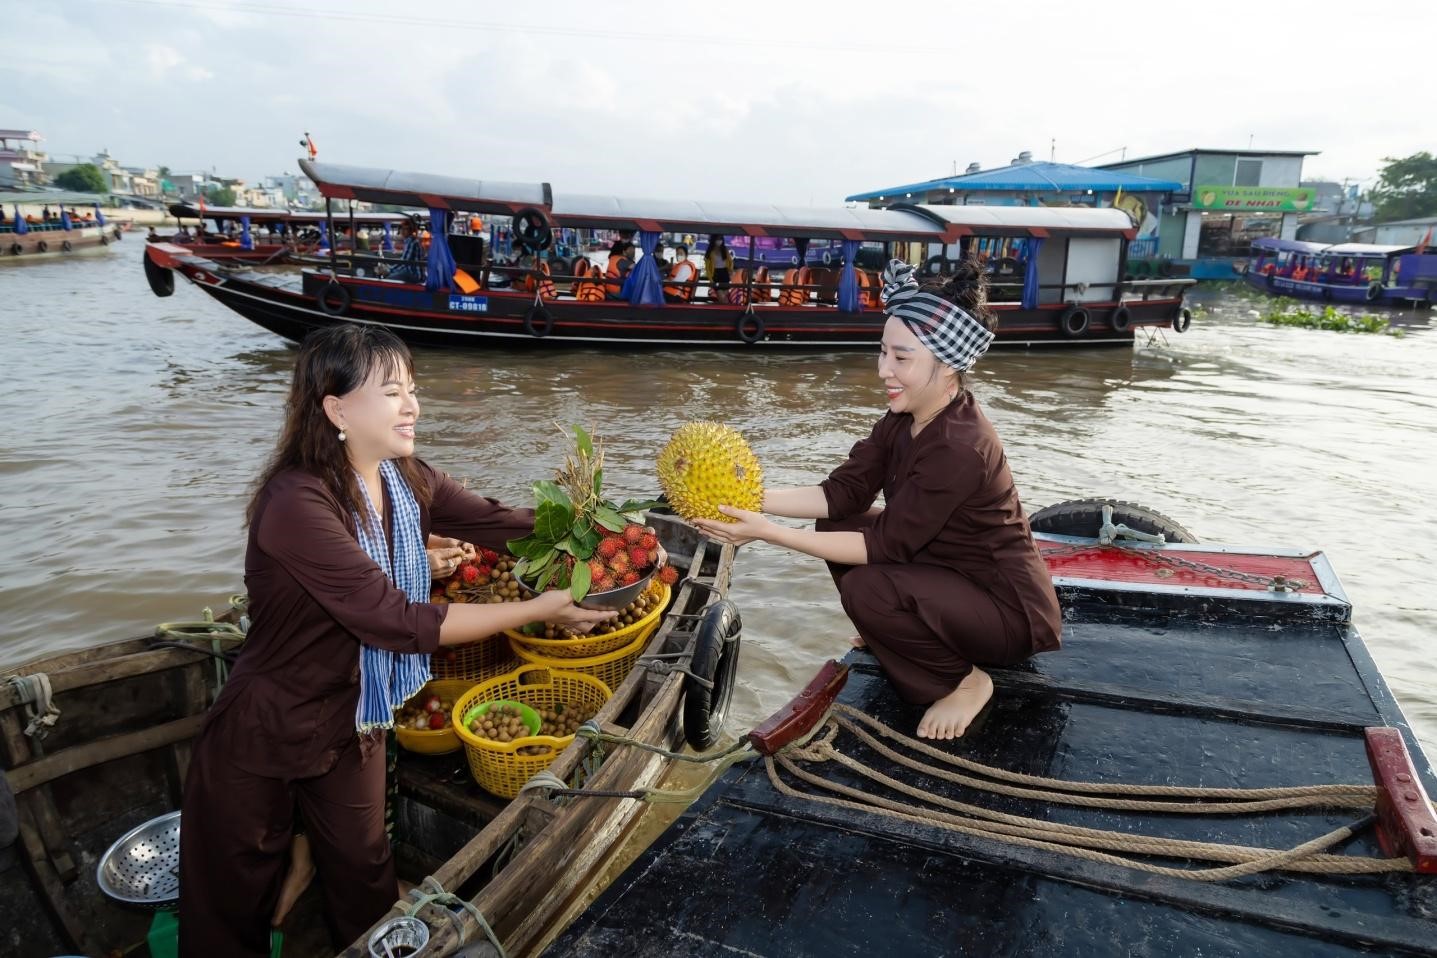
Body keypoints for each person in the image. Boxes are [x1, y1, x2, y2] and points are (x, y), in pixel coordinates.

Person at [178, 325, 618, 956]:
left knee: (365, 881)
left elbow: (503, 523)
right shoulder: (296, 502)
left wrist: (600, 532)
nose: (413, 406)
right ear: (336, 409)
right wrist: (542, 606)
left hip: (356, 723)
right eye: (392, 392)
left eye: (412, 389)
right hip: (266, 728)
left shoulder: (408, 479)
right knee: (229, 908)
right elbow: (397, 621)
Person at [695, 257, 1061, 741]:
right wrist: (742, 498)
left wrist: (765, 532)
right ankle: (904, 636)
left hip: (1007, 613)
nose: (884, 369)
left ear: (948, 364)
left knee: (868, 588)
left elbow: (885, 547)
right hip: (950, 574)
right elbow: (842, 493)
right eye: (882, 352)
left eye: (901, 358)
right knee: (837, 524)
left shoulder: (960, 444)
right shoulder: (904, 416)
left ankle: (964, 681)